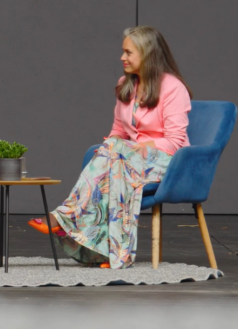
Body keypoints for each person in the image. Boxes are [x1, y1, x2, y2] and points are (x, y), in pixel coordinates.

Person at [29, 26, 192, 269]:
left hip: (168, 162)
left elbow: (175, 141)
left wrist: (130, 147)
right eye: (123, 51)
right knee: (114, 162)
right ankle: (112, 254)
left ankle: (65, 217)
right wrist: (108, 150)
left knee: (117, 154)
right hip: (127, 161)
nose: (122, 57)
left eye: (128, 52)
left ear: (148, 54)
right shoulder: (125, 84)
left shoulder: (173, 87)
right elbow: (118, 130)